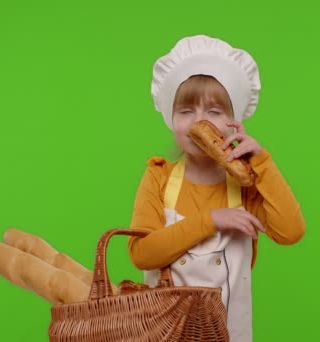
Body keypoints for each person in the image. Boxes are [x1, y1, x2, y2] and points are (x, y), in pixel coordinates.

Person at [127, 35, 305, 341]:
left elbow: (291, 232)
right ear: (171, 119)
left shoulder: (246, 185)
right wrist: (211, 220)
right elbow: (143, 254)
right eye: (186, 111)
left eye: (214, 112)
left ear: (232, 122)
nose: (199, 121)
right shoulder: (159, 177)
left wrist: (262, 163)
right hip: (164, 333)